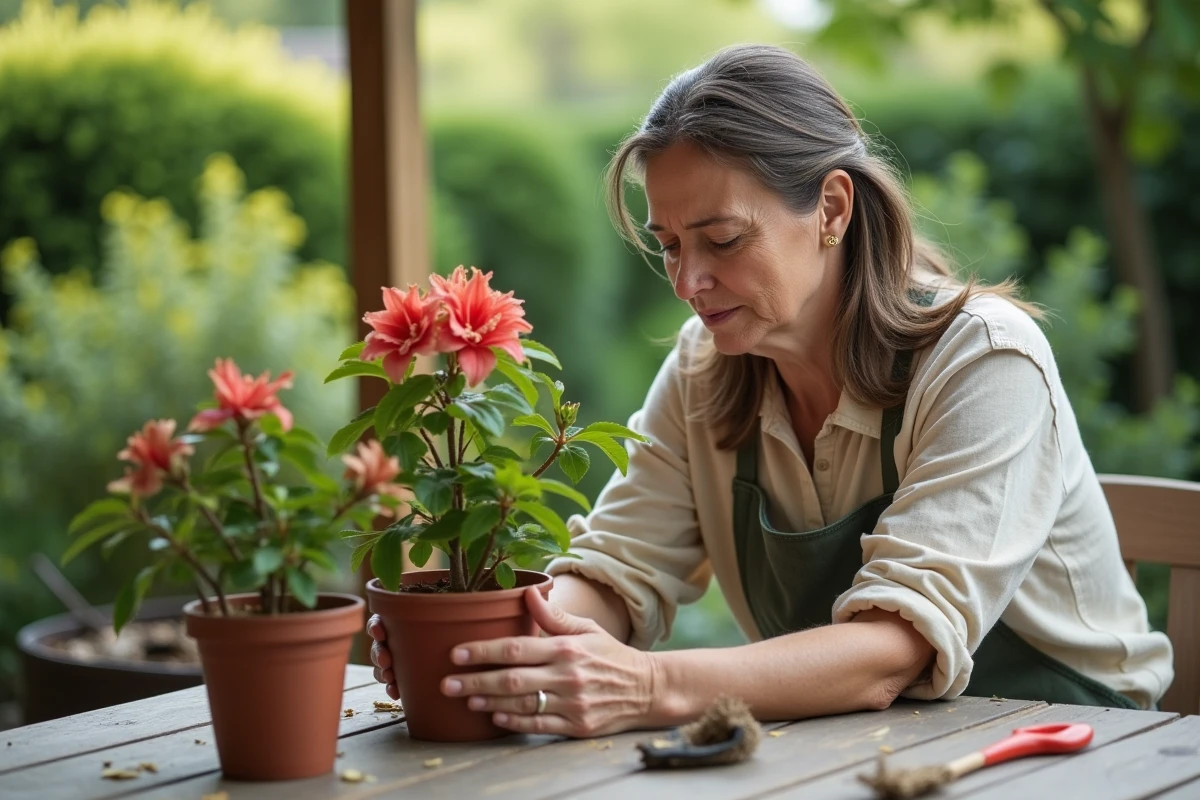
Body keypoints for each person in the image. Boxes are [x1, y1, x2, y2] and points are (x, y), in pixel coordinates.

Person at [368, 44, 1173, 737]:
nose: (688, 279)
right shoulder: (704, 366)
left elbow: (892, 649)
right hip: (859, 745)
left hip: (1072, 742)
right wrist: (495, 647)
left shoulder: (983, 360)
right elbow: (620, 567)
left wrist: (646, 686)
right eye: (672, 245)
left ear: (830, 207)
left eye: (722, 239)